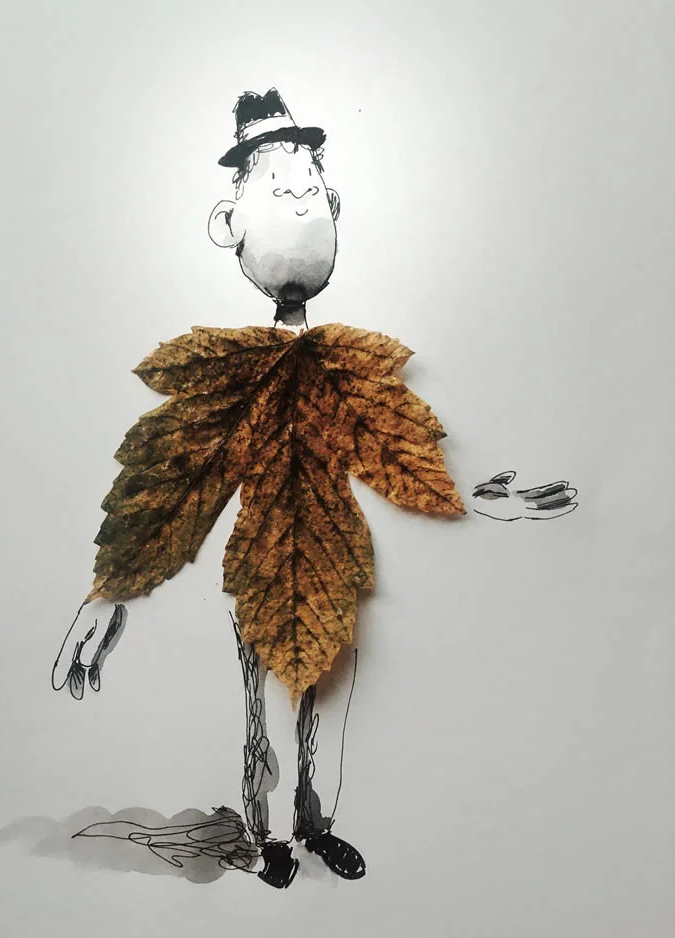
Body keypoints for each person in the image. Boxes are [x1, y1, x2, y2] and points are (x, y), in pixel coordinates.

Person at [53, 89, 578, 889]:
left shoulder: (347, 368)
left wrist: (473, 497)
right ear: (228, 223)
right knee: (261, 694)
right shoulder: (229, 375)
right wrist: (111, 587)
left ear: (334, 207)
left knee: (326, 687)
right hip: (262, 567)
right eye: (278, 188)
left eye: (311, 188)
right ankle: (266, 835)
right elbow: (170, 491)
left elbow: (408, 456)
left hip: (327, 562)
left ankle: (317, 824)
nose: (301, 199)